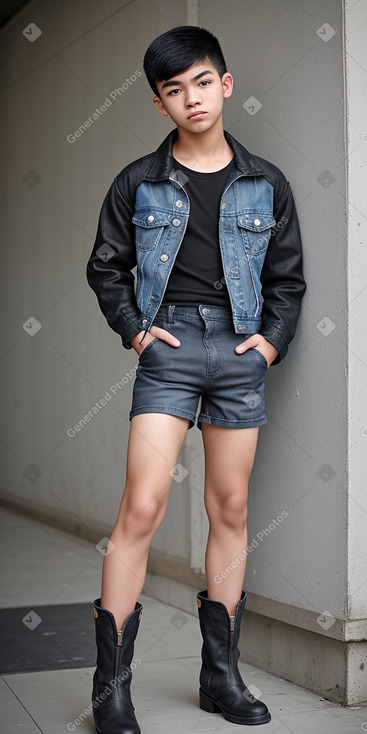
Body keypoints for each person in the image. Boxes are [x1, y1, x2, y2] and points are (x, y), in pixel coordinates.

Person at [86, 25, 306, 733]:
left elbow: (286, 281)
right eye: (174, 90)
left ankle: (221, 677)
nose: (192, 98)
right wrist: (137, 329)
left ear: (225, 84)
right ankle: (109, 689)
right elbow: (106, 266)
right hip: (170, 350)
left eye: (202, 81)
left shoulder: (265, 181)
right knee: (142, 509)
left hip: (237, 355)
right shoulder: (138, 182)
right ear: (160, 104)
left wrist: (267, 348)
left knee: (231, 512)